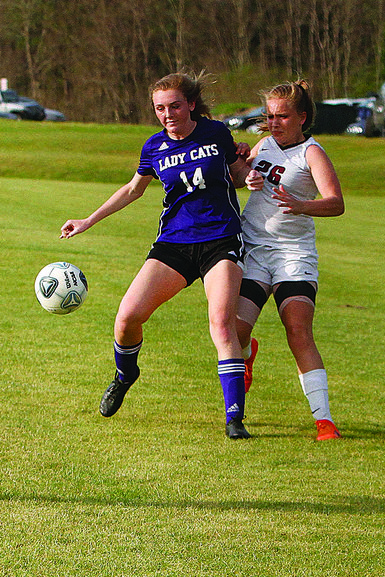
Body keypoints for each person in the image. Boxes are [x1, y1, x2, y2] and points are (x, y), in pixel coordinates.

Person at [60, 72, 255, 439]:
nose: (168, 114)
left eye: (175, 106)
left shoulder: (215, 134)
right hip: (174, 243)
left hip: (221, 240)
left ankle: (234, 418)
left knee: (220, 323)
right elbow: (133, 190)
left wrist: (249, 169)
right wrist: (87, 220)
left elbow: (237, 174)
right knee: (127, 317)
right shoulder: (153, 147)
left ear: (191, 105)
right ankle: (125, 375)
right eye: (160, 108)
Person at [237, 80, 345, 441]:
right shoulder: (265, 144)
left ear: (302, 117)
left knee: (297, 329)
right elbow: (238, 177)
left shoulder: (312, 153)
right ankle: (246, 354)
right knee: (234, 330)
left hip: (293, 254)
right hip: (253, 248)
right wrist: (245, 172)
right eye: (269, 116)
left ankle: (324, 420)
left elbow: (335, 202)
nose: (274, 122)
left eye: (282, 116)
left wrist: (303, 205)